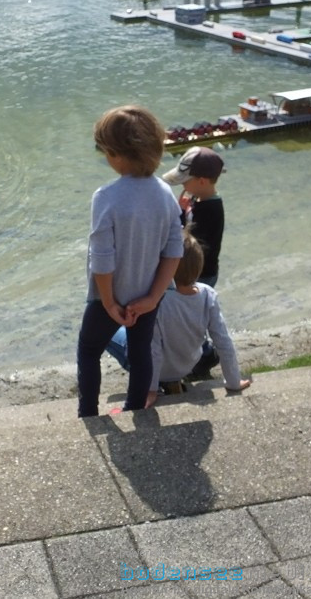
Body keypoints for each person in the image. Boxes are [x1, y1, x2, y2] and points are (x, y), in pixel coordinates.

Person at [76, 105, 183, 418]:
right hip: (147, 296)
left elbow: (102, 258)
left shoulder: (106, 196)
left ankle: (88, 413)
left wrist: (109, 302)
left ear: (116, 154)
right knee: (140, 351)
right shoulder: (165, 193)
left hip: (106, 298)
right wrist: (153, 297)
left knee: (88, 351)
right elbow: (173, 251)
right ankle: (135, 408)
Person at [106, 230, 250, 407]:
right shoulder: (208, 296)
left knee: (107, 329)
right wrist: (234, 381)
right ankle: (171, 382)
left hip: (157, 371)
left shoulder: (158, 301)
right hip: (186, 365)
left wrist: (149, 390)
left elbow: (154, 350)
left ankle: (158, 385)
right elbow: (223, 341)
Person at [163, 146, 224, 287]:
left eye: (185, 182)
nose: (183, 186)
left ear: (202, 181)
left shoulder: (210, 209)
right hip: (196, 270)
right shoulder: (199, 198)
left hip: (200, 274)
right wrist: (183, 211)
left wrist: (180, 216)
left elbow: (189, 242)